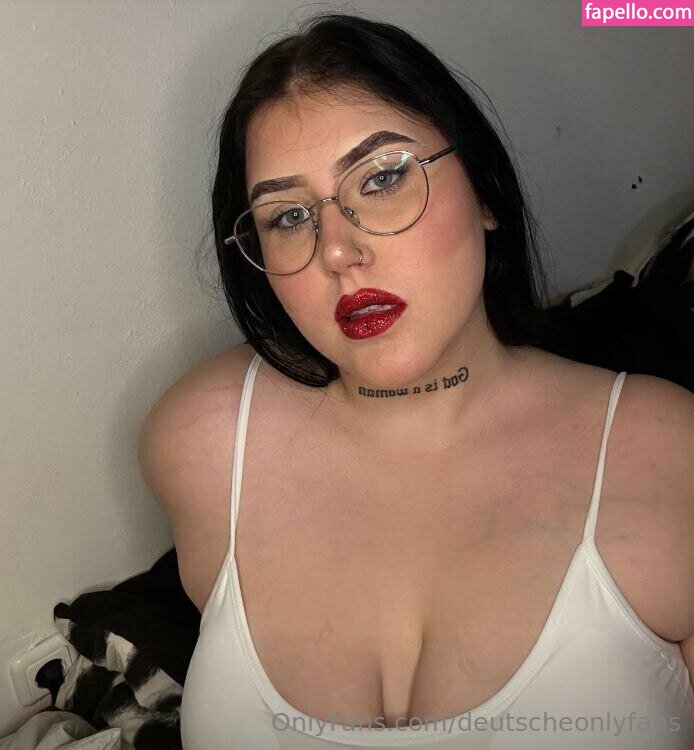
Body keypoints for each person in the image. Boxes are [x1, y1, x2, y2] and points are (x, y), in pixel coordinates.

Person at [137, 11, 694, 749]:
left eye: (383, 177)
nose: (337, 251)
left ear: (485, 191)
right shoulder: (202, 442)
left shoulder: (667, 455)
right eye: (288, 216)